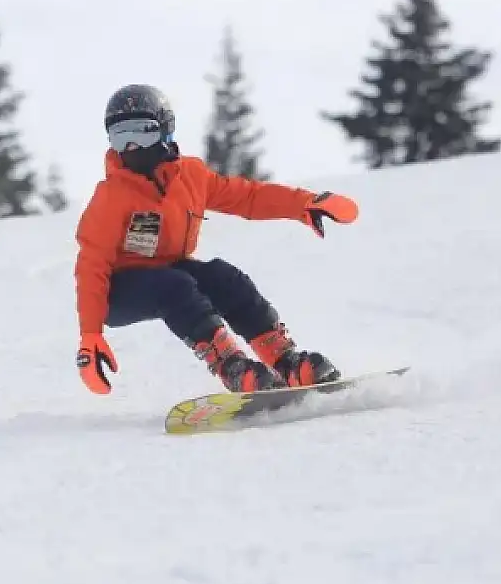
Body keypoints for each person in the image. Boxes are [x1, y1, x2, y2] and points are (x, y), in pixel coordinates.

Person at [74, 83, 359, 396]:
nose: (131, 147)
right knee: (174, 286)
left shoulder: (191, 177)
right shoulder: (111, 197)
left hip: (170, 271)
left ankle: (285, 361)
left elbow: (248, 197)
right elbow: (91, 264)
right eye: (119, 136)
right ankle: (232, 367)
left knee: (223, 277)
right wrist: (90, 335)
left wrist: (304, 203)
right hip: (117, 290)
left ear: (166, 130)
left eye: (142, 132)